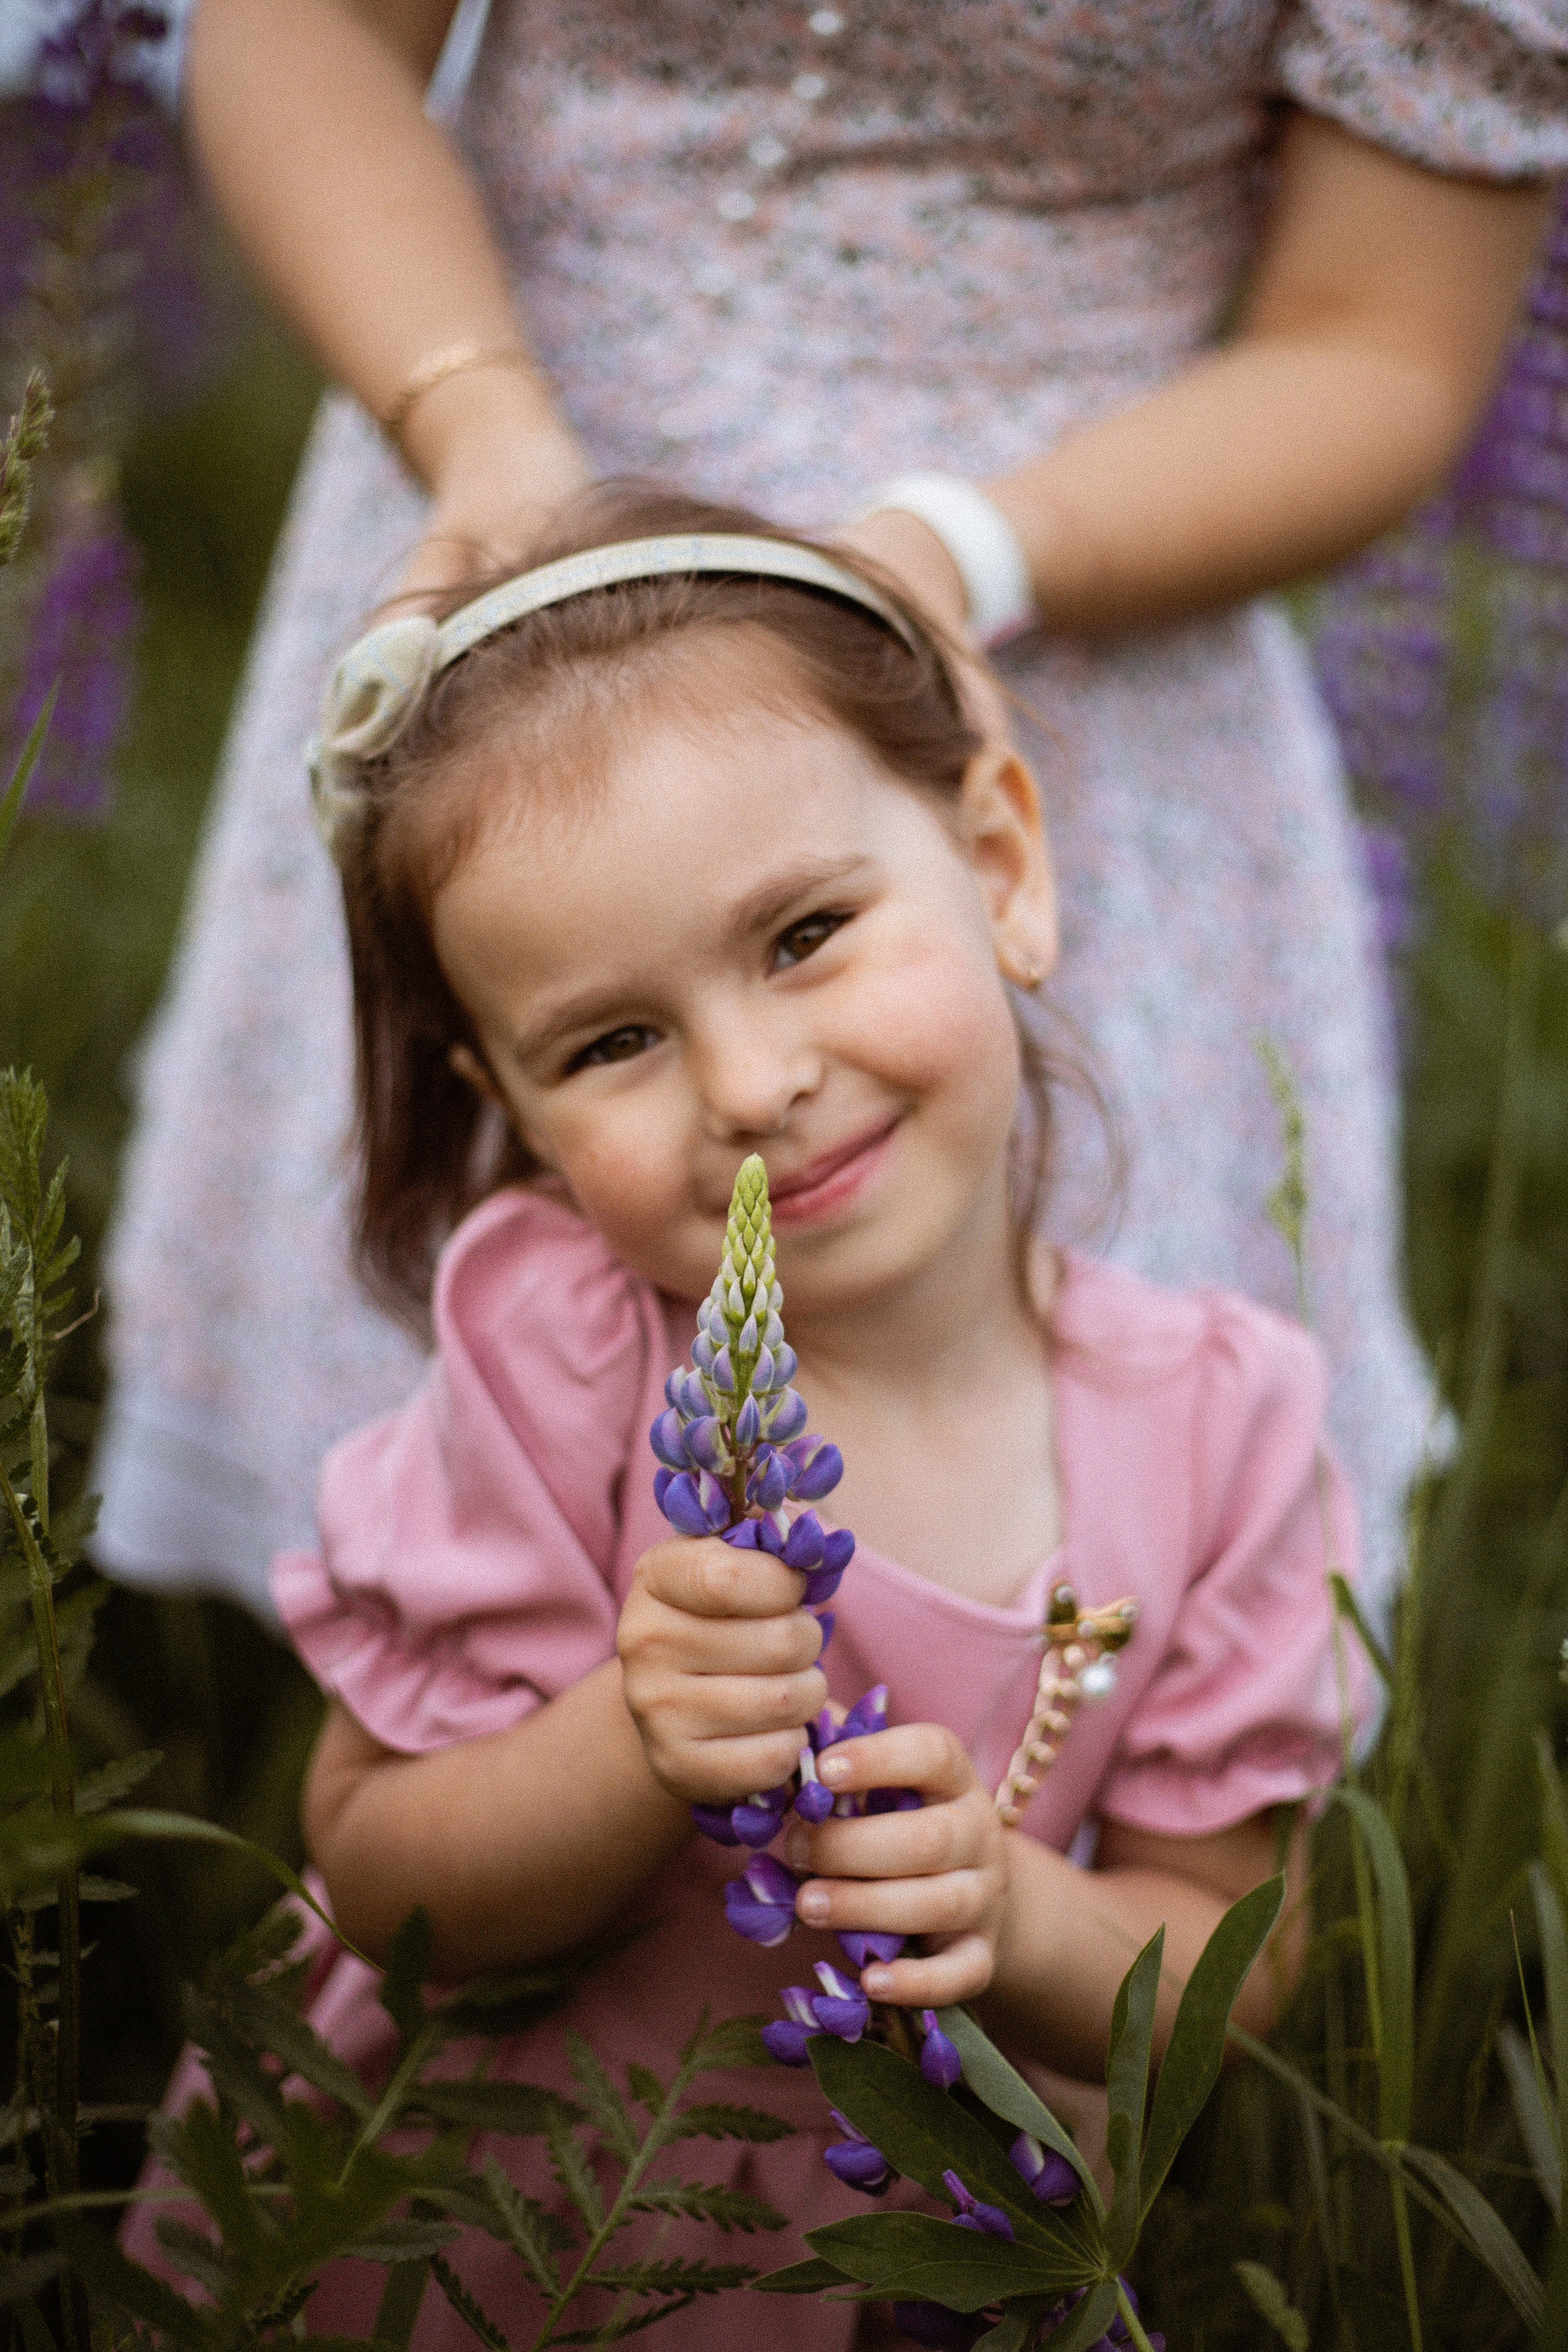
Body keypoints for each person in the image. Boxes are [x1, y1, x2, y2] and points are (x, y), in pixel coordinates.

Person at [92, 0, 1564, 1625]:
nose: (748, 1084)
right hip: (501, 544)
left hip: (1052, 597)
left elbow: (1374, 342)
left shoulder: (982, 832)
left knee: (1076, 1558)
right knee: (490, 1481)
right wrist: (478, 424)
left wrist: (970, 554)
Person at [126, 492, 1370, 2348]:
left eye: (805, 932)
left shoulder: (1225, 1422)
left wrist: (1022, 1917)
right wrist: (626, 1748)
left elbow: (1239, 1937)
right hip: (480, 2236)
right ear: (513, 1105)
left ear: (1003, 866)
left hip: (923, 2258)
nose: (754, 1083)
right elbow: (380, 1870)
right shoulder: (557, 1356)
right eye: (611, 1041)